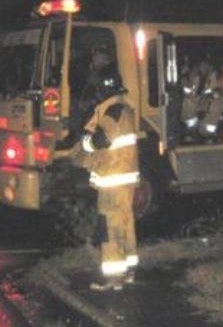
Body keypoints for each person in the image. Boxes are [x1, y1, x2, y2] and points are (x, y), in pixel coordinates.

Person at [74, 48, 140, 291]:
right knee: (125, 224)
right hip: (124, 179)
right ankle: (129, 270)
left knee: (110, 228)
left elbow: (100, 141)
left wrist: (84, 141)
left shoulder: (112, 111)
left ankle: (114, 278)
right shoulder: (125, 107)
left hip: (112, 180)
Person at [196, 60, 223, 140]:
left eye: (203, 66)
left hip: (208, 127)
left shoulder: (214, 77)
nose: (201, 69)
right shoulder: (207, 79)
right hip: (207, 125)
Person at [179, 56, 202, 142]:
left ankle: (190, 137)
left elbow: (194, 93)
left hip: (190, 112)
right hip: (187, 112)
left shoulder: (196, 79)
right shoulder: (186, 79)